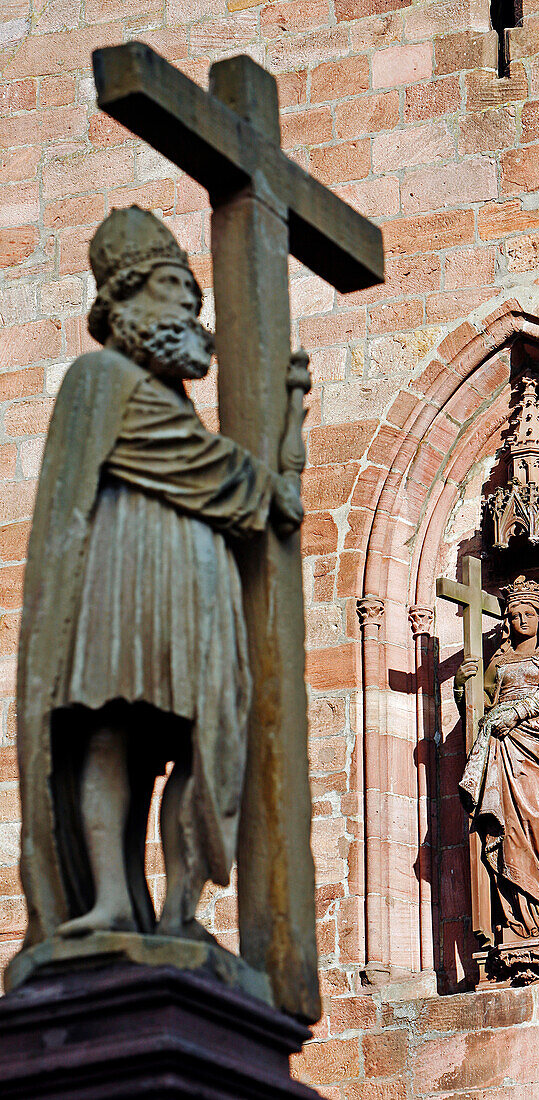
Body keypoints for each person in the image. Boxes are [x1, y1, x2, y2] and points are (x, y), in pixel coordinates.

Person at [17, 206, 308, 948]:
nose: (189, 305)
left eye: (193, 294)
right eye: (175, 288)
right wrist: (268, 477)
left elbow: (222, 478)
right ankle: (112, 901)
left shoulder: (173, 401)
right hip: (118, 583)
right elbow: (204, 468)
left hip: (192, 580)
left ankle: (181, 911)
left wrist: (272, 462)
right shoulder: (99, 378)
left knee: (196, 741)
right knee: (111, 734)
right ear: (126, 300)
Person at [455, 576, 539, 953]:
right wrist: (463, 686)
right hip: (501, 748)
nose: (522, 621)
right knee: (509, 828)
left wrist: (519, 710)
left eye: (529, 613)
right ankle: (519, 916)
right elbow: (479, 702)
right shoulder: (499, 660)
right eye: (514, 615)